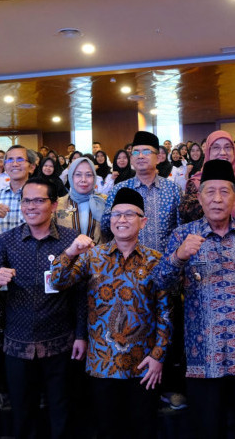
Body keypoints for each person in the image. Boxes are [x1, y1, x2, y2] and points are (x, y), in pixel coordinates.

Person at [154, 159, 235, 439]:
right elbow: (161, 284)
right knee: (208, 430)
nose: (217, 199)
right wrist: (178, 257)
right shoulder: (183, 235)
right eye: (210, 192)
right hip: (203, 358)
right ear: (199, 198)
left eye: (224, 191)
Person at [51, 188, 171, 439]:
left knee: (144, 430)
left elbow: (165, 311)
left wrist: (158, 356)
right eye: (116, 214)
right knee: (107, 430)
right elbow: (57, 282)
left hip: (144, 365)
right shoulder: (92, 256)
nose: (122, 219)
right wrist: (70, 251)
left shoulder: (156, 260)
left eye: (129, 214)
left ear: (143, 221)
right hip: (102, 364)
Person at [0, 178, 84, 439]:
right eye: (26, 201)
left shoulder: (71, 240)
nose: (31, 206)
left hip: (60, 343)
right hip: (17, 344)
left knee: (62, 412)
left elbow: (82, 293)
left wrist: (82, 334)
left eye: (39, 200)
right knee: (23, 415)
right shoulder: (5, 241)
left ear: (54, 204)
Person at [102, 131, 182, 254]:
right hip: (127, 262)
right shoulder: (119, 190)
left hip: (165, 262)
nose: (140, 156)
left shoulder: (173, 189)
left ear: (158, 158)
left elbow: (181, 229)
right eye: (135, 152)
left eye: (146, 152)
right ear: (131, 159)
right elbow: (106, 227)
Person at [180, 130, 235, 223]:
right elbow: (188, 218)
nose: (223, 152)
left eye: (227, 147)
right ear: (208, 152)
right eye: (216, 147)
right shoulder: (195, 184)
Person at [55, 157, 107, 244]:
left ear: (94, 177)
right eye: (78, 175)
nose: (83, 180)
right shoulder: (58, 204)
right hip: (67, 252)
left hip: (100, 252)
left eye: (88, 175)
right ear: (71, 177)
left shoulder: (105, 201)